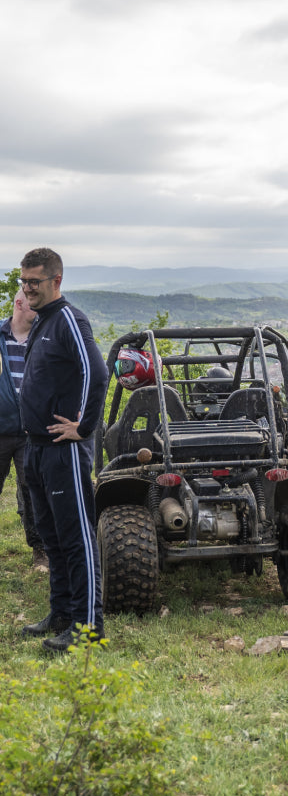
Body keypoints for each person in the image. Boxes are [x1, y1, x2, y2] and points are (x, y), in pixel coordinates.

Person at [17, 248, 109, 651]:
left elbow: (97, 372)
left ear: (56, 280)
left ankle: (88, 627)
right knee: (52, 537)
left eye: (34, 282)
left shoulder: (70, 319)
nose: (27, 289)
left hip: (63, 449)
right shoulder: (43, 322)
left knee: (76, 538)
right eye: (24, 282)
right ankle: (61, 612)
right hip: (36, 449)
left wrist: (84, 427)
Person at [0, 289, 48, 571]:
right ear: (19, 303)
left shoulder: (43, 340)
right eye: (34, 304)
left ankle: (40, 550)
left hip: (32, 431)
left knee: (33, 491)